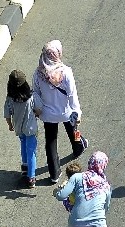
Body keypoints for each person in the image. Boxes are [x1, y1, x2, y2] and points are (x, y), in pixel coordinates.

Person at [32, 40, 87, 183]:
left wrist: (38, 110)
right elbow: (72, 94)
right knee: (73, 130)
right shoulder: (66, 72)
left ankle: (54, 173)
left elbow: (36, 94)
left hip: (48, 114)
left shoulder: (38, 73)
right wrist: (77, 112)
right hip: (66, 111)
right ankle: (78, 147)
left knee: (50, 142)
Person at [4, 69, 39, 188]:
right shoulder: (31, 96)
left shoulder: (10, 98)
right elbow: (39, 109)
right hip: (30, 128)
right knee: (31, 151)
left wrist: (10, 125)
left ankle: (25, 167)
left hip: (18, 127)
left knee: (23, 143)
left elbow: (7, 114)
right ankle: (31, 177)